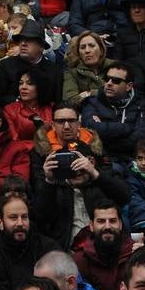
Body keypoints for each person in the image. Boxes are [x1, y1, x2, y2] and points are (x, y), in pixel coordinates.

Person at [36, 105, 130, 247]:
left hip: (102, 246)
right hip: (67, 249)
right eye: (70, 164)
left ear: (90, 161)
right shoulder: (57, 186)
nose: (76, 170)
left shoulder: (99, 183)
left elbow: (124, 196)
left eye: (79, 164)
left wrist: (93, 173)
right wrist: (49, 181)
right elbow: (41, 217)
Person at [0, 191, 62, 290]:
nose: (20, 223)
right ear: (0, 222)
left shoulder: (48, 247)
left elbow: (62, 288)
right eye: (13, 217)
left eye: (24, 217)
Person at [81, 61, 145, 168]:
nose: (109, 83)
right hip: (102, 162)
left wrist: (107, 140)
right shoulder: (92, 102)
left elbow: (142, 138)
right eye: (107, 79)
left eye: (116, 81)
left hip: (133, 162)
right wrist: (126, 128)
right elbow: (90, 129)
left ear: (128, 86)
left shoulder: (141, 105)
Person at [71, 202, 133, 290]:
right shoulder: (79, 261)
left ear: (120, 225)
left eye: (112, 221)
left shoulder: (134, 255)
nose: (107, 226)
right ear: (91, 226)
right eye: (101, 221)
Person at [62, 31, 109, 106]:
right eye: (83, 47)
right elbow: (70, 100)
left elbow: (121, 92)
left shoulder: (113, 66)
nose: (87, 51)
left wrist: (90, 93)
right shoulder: (71, 72)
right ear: (78, 53)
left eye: (92, 46)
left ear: (101, 50)